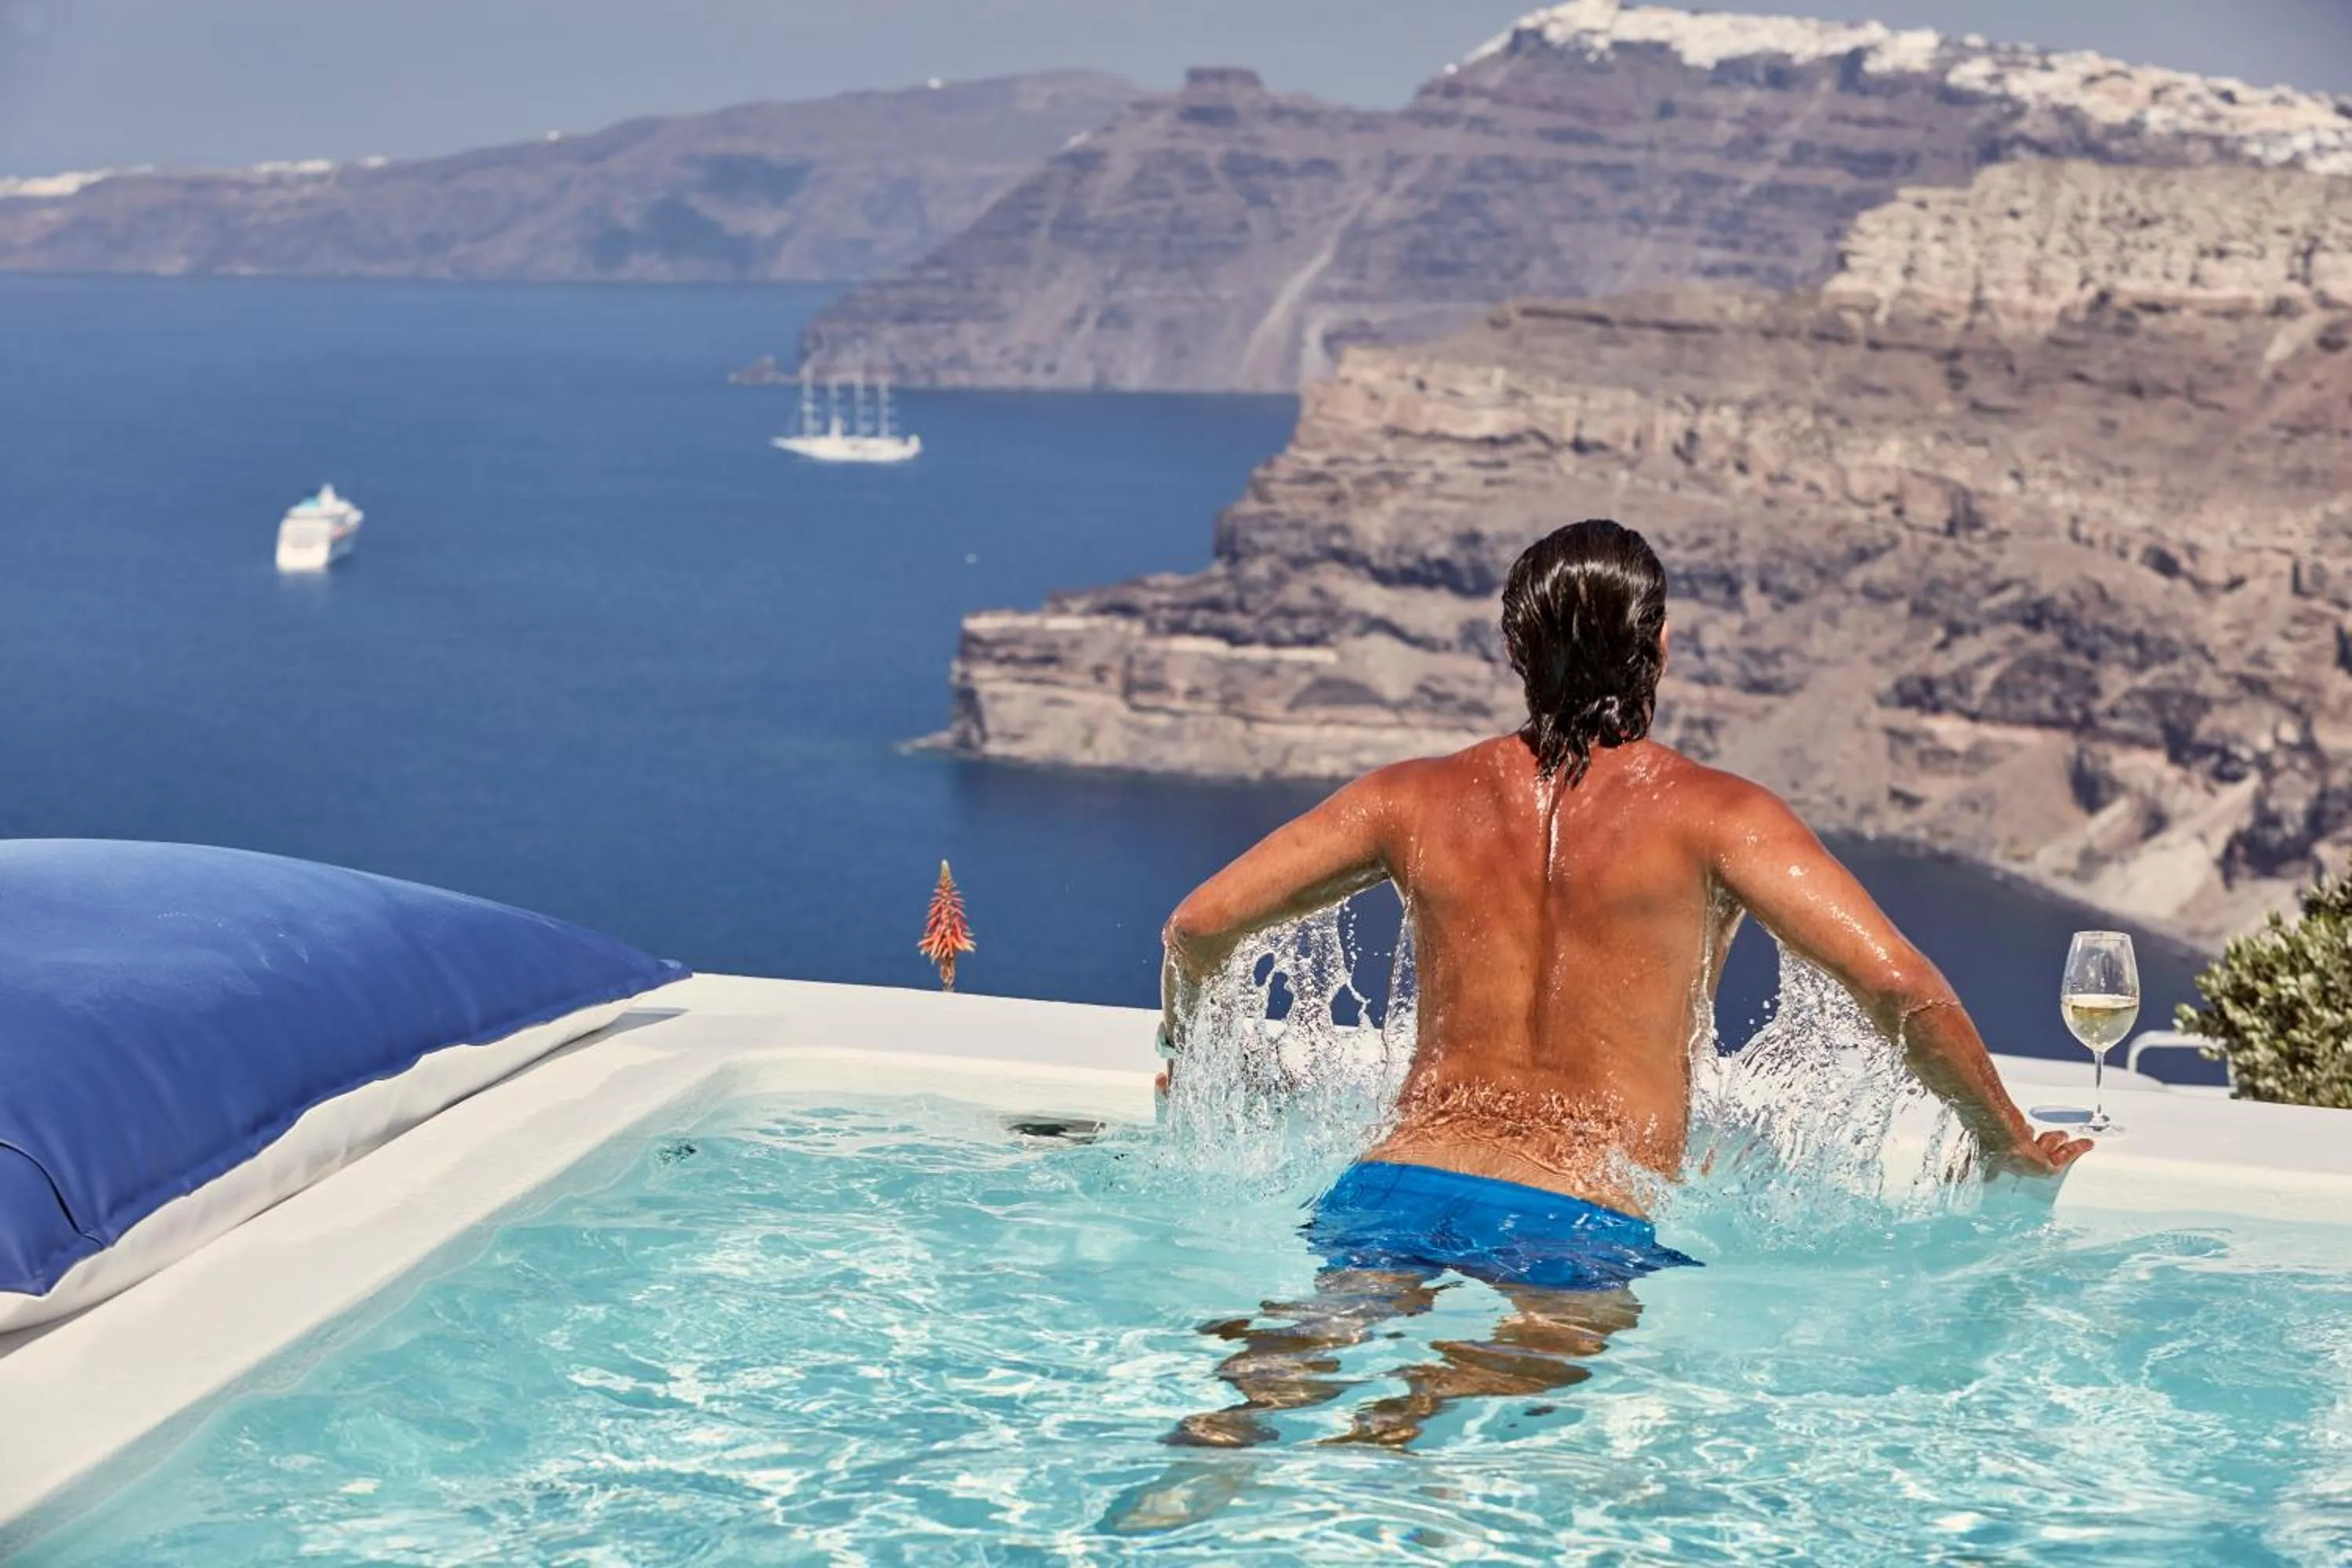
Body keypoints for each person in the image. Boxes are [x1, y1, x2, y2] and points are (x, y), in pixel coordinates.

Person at [1152, 517, 2090, 1451]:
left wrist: (1197, 1063)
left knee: (1272, 1377)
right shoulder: (1719, 816)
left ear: (1515, 645)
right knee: (1447, 1430)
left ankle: (1199, 1469)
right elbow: (1897, 984)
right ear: (1661, 644)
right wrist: (2004, 1141)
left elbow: (1197, 925)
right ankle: (1391, 1452)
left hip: (1392, 1182)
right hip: (1581, 1208)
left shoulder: (1412, 797)